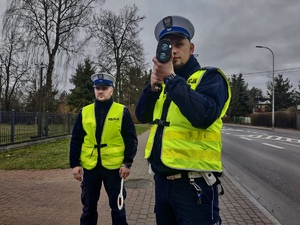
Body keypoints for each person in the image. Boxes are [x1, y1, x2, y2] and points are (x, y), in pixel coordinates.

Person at [135, 15, 231, 225]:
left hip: (195, 186)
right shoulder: (165, 84)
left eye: (179, 44)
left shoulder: (210, 78)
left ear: (191, 47)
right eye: (167, 45)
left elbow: (203, 115)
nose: (173, 51)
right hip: (162, 184)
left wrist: (170, 78)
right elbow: (141, 115)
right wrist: (152, 88)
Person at [70, 72, 138, 225]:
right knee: (88, 208)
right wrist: (75, 164)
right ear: (94, 90)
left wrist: (127, 163)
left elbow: (131, 139)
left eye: (105, 88)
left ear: (112, 90)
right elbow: (76, 139)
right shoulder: (84, 112)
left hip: (114, 169)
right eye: (98, 88)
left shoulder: (122, 111)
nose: (101, 91)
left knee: (118, 208)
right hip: (91, 167)